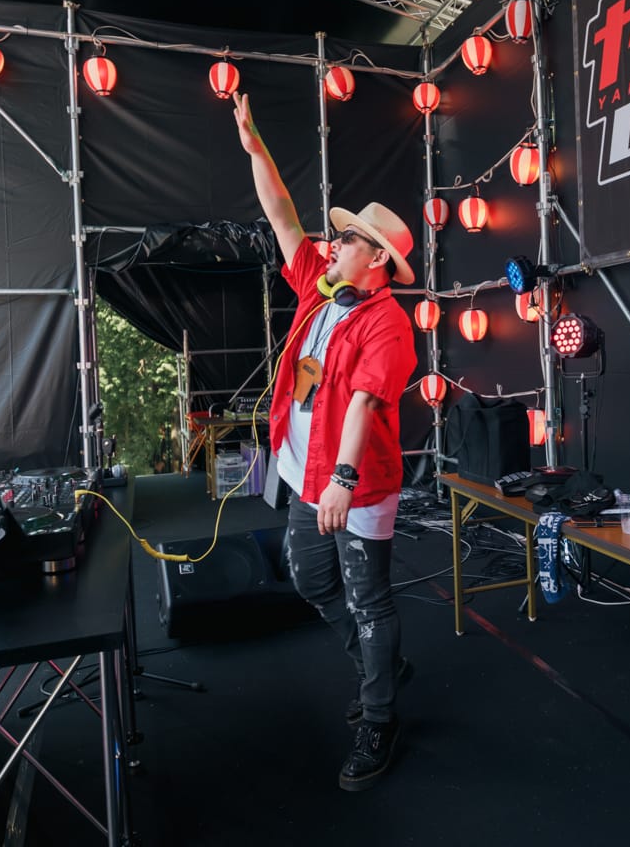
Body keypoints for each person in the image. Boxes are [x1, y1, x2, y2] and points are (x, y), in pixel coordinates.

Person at [232, 91, 418, 791]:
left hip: (356, 485)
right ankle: (380, 664)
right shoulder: (321, 289)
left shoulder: (388, 324)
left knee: (369, 599)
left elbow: (365, 400)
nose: (332, 244)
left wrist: (342, 478)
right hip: (304, 473)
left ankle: (381, 716)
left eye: (347, 240)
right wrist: (256, 148)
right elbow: (282, 215)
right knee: (310, 578)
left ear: (377, 259)